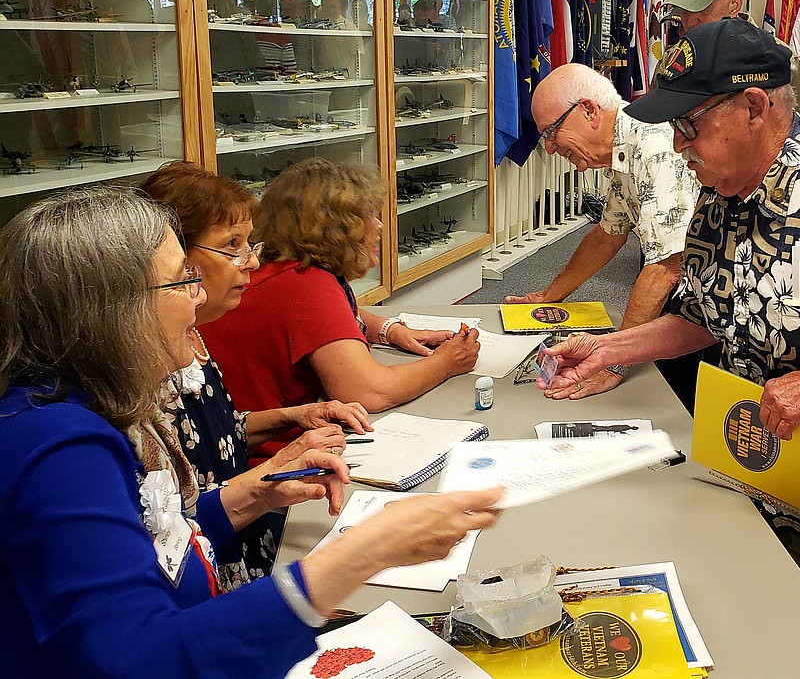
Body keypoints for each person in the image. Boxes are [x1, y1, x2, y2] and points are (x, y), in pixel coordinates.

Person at [542, 18, 800, 679]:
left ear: (753, 107)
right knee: (756, 642)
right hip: (754, 473)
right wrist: (611, 349)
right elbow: (706, 314)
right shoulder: (721, 197)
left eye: (691, 127)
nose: (679, 146)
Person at [0, 186, 501, 676]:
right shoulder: (60, 447)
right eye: (180, 282)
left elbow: (168, 545)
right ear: (111, 310)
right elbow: (138, 658)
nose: (198, 296)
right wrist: (366, 552)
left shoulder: (100, 403)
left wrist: (258, 492)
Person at [141, 161, 375, 587]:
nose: (251, 261)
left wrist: (294, 416)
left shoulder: (192, 335)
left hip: (239, 529)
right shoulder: (148, 368)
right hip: (218, 562)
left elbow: (214, 432)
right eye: (233, 245)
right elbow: (167, 529)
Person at [201, 159, 480, 460]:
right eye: (368, 217)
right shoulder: (307, 286)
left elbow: (337, 312)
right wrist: (447, 362)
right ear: (334, 228)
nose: (378, 225)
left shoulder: (282, 272)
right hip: (269, 465)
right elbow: (371, 391)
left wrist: (391, 330)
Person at [506, 63, 700, 404]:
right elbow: (608, 234)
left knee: (680, 401)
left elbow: (667, 266)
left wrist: (614, 363)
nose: (549, 148)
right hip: (691, 289)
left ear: (589, 110)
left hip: (720, 299)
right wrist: (549, 295)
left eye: (551, 131)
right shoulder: (625, 141)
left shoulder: (654, 145)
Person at [663, 0, 800, 127]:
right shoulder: (674, 59)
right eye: (684, 10)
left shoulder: (779, 61)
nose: (688, 22)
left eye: (701, 9)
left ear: (735, 4)